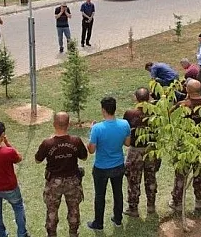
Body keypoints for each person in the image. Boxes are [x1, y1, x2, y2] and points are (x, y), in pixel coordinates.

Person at [35, 112, 88, 237]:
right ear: (68, 124)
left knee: (52, 211)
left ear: (54, 124)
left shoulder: (47, 143)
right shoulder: (76, 141)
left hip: (53, 182)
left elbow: (37, 160)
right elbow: (84, 157)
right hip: (73, 181)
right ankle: (73, 234)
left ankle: (51, 234)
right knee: (74, 210)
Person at [169, 79, 201, 211]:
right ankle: (199, 202)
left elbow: (169, 117)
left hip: (184, 145)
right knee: (200, 174)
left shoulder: (183, 105)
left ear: (187, 90)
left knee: (180, 174)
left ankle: (177, 202)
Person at [86, 96, 131, 231]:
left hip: (101, 168)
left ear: (103, 110)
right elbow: (127, 143)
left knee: (100, 195)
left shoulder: (97, 128)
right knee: (118, 193)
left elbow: (91, 150)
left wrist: (91, 130)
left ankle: (98, 223)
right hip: (118, 165)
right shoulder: (125, 124)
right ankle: (118, 219)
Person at [122, 87, 161, 217]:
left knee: (133, 180)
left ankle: (133, 208)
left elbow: (126, 132)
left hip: (135, 150)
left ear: (136, 98)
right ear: (149, 97)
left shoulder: (129, 113)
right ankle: (151, 206)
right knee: (151, 178)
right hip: (151, 149)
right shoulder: (156, 113)